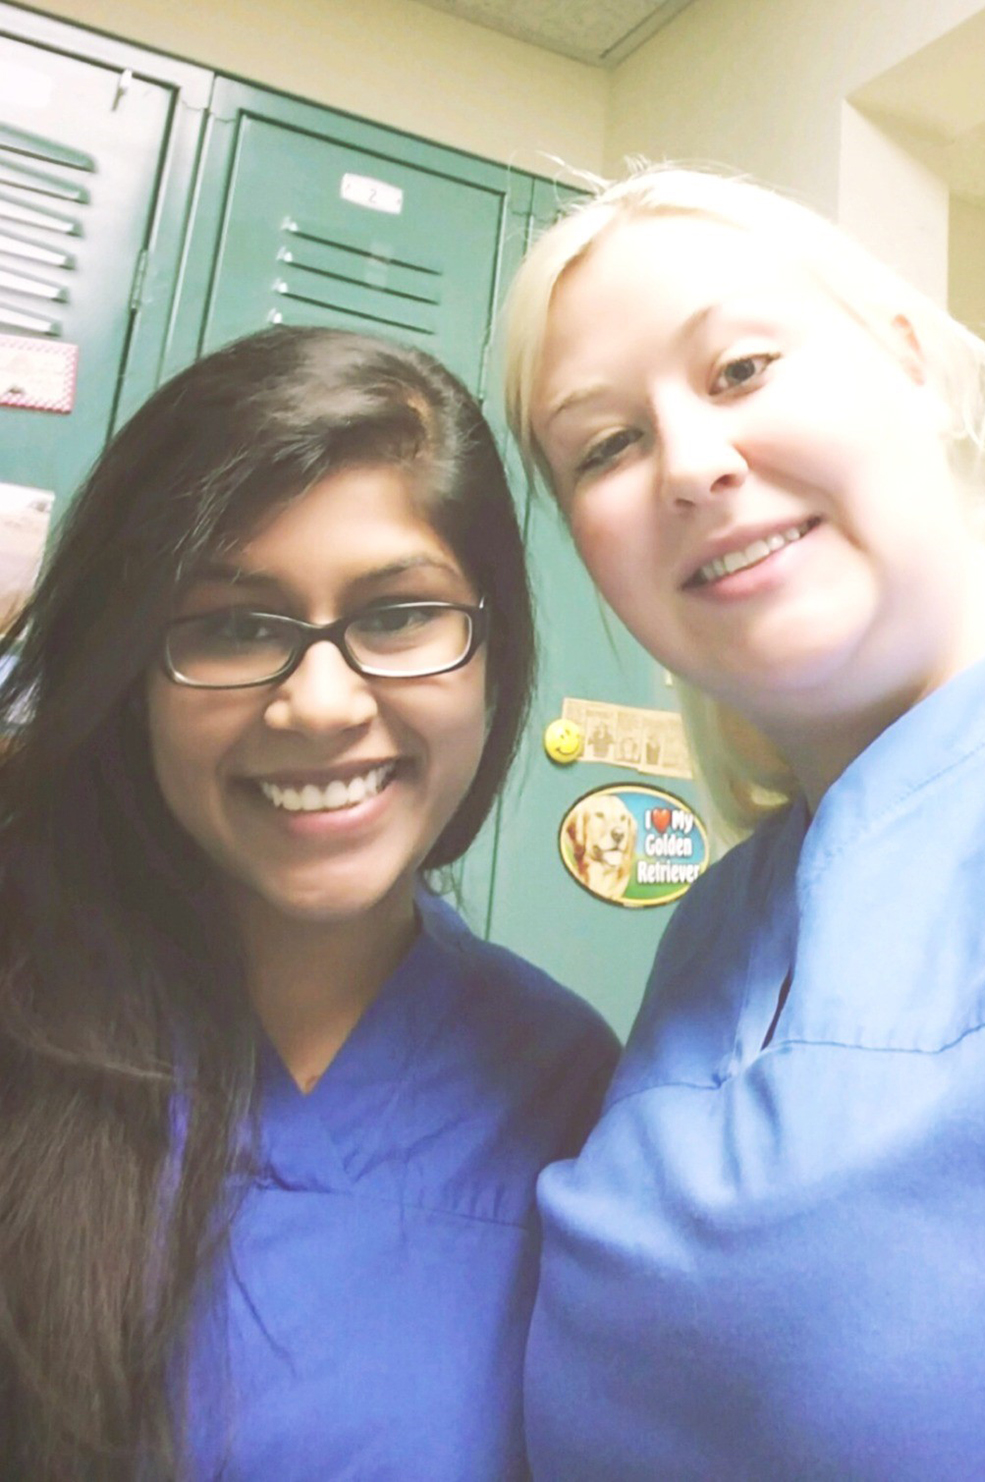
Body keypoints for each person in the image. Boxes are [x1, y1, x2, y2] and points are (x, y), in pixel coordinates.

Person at [503, 167, 985, 1479]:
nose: (693, 465)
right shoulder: (718, 924)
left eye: (741, 368)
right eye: (604, 446)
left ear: (908, 364)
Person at [0, 325, 618, 1481]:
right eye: (235, 625)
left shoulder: (563, 1091)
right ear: (133, 674)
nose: (320, 704)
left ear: (495, 661)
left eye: (398, 616)